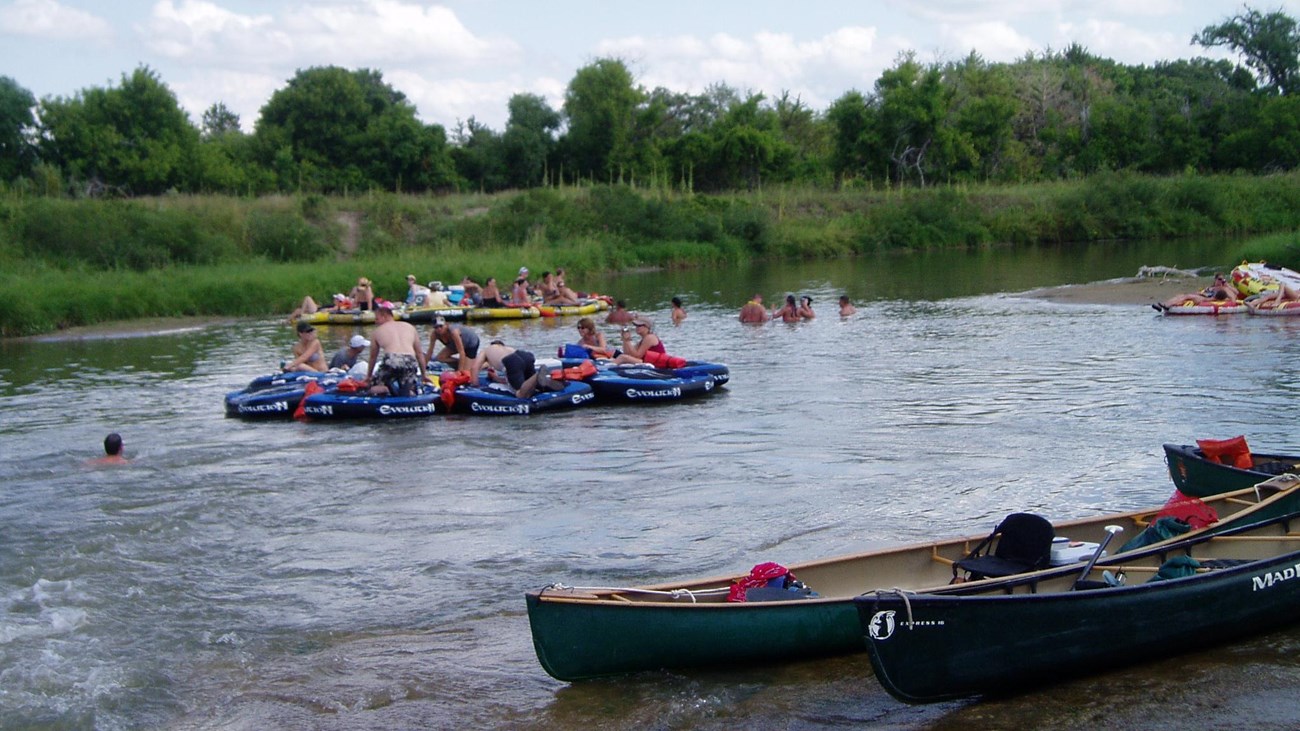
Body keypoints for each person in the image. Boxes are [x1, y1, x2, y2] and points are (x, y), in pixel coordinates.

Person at [363, 299, 426, 396]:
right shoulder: (410, 327)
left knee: (373, 387)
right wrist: (424, 375)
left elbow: (373, 357)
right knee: (406, 387)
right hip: (410, 360)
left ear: (384, 316)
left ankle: (385, 390)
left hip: (392, 359)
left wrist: (369, 376)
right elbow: (419, 354)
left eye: (377, 319)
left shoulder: (377, 331)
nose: (375, 322)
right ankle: (408, 393)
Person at [471, 339, 549, 398]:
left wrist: (475, 387)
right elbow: (510, 379)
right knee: (531, 385)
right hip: (525, 355)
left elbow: (474, 368)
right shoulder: (507, 349)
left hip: (512, 361)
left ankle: (537, 375)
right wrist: (496, 378)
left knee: (520, 394)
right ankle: (548, 383)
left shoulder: (486, 350)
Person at [1154, 272, 1239, 311]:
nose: (1221, 281)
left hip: (1208, 300)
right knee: (1182, 295)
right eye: (1219, 279)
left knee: (1187, 297)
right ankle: (1164, 305)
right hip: (1204, 296)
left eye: (1222, 279)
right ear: (1215, 280)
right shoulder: (1211, 288)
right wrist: (1199, 293)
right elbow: (1202, 292)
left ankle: (1167, 305)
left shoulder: (1224, 288)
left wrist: (1227, 284)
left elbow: (1236, 293)